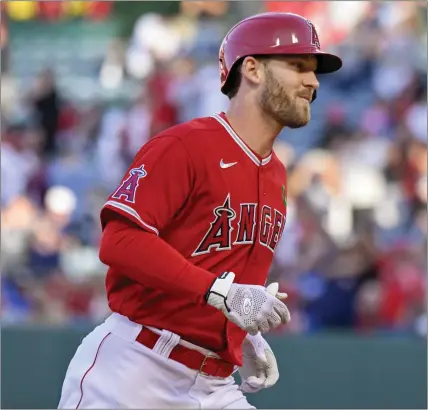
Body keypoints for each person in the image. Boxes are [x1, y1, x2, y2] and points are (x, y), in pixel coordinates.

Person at [58, 12, 342, 409]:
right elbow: (119, 242)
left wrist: (243, 335)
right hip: (136, 368)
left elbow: (224, 270)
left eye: (314, 71)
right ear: (253, 69)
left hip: (215, 386)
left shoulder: (277, 173)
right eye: (297, 66)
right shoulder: (186, 146)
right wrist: (222, 295)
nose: (312, 81)